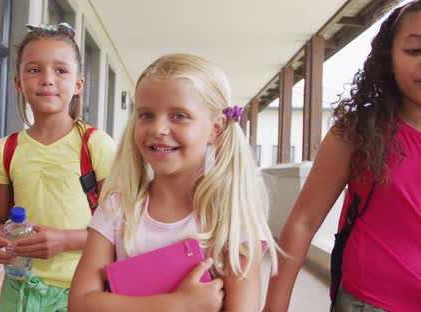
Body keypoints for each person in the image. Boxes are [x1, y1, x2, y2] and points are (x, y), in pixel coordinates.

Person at [68, 53, 278, 312]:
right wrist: (177, 305)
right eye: (146, 115)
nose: (158, 129)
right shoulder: (117, 207)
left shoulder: (233, 218)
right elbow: (80, 303)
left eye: (179, 116)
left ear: (216, 129)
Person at [264, 2, 421, 311]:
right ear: (389, 57)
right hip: (368, 303)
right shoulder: (357, 131)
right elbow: (303, 221)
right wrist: (275, 305)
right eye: (415, 51)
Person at [0, 23, 116, 311]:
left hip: (81, 291)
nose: (47, 79)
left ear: (79, 84)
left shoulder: (95, 145)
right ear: (18, 82)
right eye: (34, 69)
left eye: (61, 70)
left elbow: (123, 229)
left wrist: (65, 240)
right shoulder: (7, 149)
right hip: (20, 291)